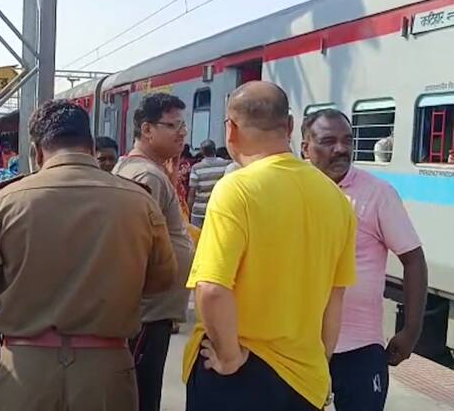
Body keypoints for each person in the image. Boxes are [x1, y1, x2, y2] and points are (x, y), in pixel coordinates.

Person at [0, 99, 178, 411]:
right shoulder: (139, 201)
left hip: (24, 371)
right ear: (89, 146)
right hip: (107, 373)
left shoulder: (5, 200)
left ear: (36, 151)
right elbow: (161, 282)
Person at [183, 81, 356, 411]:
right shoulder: (336, 198)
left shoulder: (237, 189)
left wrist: (229, 358)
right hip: (305, 381)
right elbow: (336, 297)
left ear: (230, 130)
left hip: (241, 374)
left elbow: (212, 288)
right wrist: (318, 364)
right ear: (290, 126)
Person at [302, 109, 429, 411]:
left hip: (359, 350)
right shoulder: (294, 192)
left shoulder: (377, 194)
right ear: (305, 148)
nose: (342, 149)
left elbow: (413, 260)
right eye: (328, 141)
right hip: (301, 348)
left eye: (348, 140)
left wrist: (411, 330)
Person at [113, 92, 194, 411]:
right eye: (173, 125)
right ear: (147, 130)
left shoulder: (150, 172)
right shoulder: (146, 176)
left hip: (152, 311)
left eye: (183, 126)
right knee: (142, 397)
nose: (182, 133)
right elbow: (134, 246)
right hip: (147, 313)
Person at [187, 139, 229, 227]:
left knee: (197, 238)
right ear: (215, 150)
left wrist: (189, 211)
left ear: (202, 152)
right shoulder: (226, 165)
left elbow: (192, 193)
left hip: (199, 211)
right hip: (217, 210)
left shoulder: (196, 168)